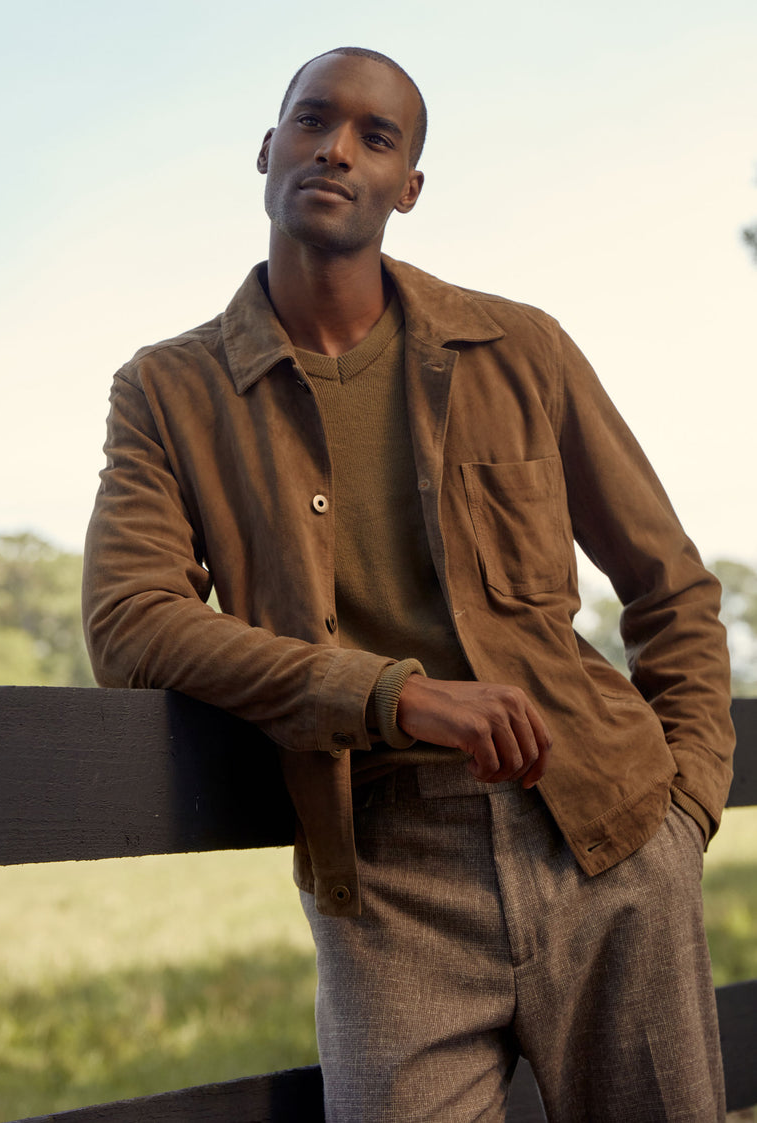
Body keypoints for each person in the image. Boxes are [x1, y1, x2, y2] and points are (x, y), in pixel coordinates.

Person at [82, 46, 735, 1122]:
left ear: (408, 187)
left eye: (375, 137)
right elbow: (131, 622)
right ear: (266, 147)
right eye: (312, 120)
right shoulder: (168, 390)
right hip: (381, 867)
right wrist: (389, 692)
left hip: (606, 832)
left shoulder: (520, 347)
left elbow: (670, 587)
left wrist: (688, 810)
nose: (337, 147)